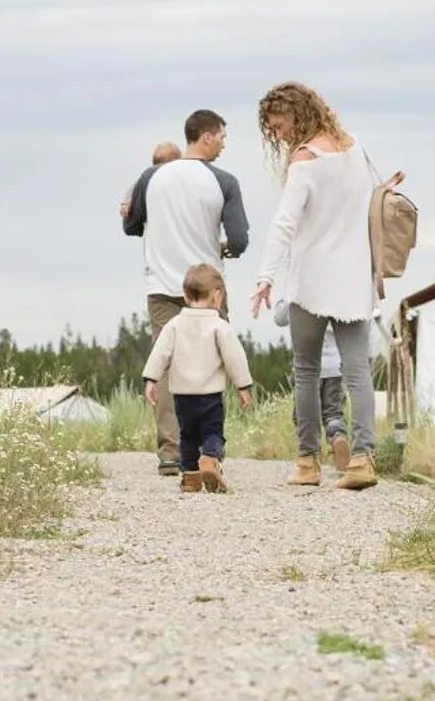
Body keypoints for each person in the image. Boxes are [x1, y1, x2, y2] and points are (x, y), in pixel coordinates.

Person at [249, 82, 379, 490]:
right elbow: (375, 200)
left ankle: (307, 463)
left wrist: (266, 277)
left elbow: (284, 224)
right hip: (355, 278)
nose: (280, 134)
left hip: (311, 280)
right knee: (358, 371)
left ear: (299, 115)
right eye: (273, 130)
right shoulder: (356, 148)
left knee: (306, 370)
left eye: (282, 125)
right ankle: (362, 460)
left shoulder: (305, 160)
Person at [122, 109, 249, 477]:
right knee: (217, 356)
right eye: (222, 137)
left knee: (163, 361)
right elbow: (239, 239)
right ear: (206, 137)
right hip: (208, 288)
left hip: (162, 285)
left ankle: (170, 452)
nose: (224, 144)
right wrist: (224, 248)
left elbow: (132, 225)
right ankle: (211, 446)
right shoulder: (224, 181)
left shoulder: (151, 178)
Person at [142, 264, 255, 493]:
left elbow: (160, 352)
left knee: (187, 436)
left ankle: (191, 477)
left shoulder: (173, 325)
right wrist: (243, 386)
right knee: (212, 432)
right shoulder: (219, 327)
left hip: (182, 396)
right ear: (218, 296)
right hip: (210, 396)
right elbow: (234, 357)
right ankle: (210, 459)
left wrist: (151, 380)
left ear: (185, 295)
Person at [273, 295, 349, 472]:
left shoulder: (301, 293)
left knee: (302, 414)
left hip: (307, 370)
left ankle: (310, 453)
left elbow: (280, 318)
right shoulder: (334, 294)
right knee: (333, 413)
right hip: (335, 368)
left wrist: (284, 298)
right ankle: (337, 437)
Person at [120, 140, 182, 221]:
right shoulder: (179, 178)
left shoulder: (146, 179)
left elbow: (131, 192)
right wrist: (125, 204)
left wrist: (125, 204)